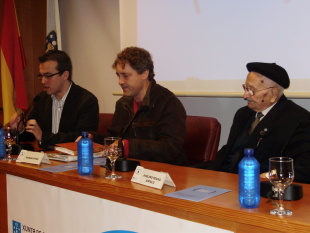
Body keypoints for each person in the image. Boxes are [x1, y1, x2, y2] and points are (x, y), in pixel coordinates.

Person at [206, 62, 310, 183]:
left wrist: (271, 175)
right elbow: (230, 150)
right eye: (245, 88)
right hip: (226, 179)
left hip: (258, 186)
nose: (245, 95)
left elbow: (304, 168)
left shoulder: (298, 120)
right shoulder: (243, 113)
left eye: (252, 91)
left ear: (274, 94)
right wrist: (209, 175)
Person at [91, 47, 187, 165]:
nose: (120, 81)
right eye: (118, 75)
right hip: (131, 169)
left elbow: (171, 149)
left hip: (164, 173)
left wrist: (128, 146)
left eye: (125, 76)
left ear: (144, 74)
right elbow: (114, 139)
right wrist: (93, 138)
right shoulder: (122, 104)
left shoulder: (168, 103)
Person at [9, 50, 99, 149]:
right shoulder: (41, 99)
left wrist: (44, 137)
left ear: (65, 75)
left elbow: (81, 137)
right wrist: (20, 128)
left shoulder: (87, 100)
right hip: (45, 158)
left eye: (48, 76)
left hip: (74, 160)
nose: (43, 81)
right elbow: (31, 135)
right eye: (41, 76)